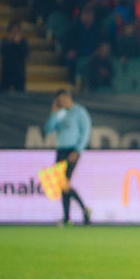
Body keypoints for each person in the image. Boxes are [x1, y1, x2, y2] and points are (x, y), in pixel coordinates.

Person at [44, 90, 93, 226]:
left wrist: (78, 150)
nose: (62, 102)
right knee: (63, 185)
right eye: (59, 101)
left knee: (64, 182)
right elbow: (48, 129)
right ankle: (68, 217)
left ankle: (82, 210)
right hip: (61, 151)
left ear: (69, 97)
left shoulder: (79, 111)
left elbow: (86, 132)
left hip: (72, 150)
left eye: (63, 99)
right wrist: (53, 113)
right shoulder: (60, 113)